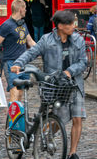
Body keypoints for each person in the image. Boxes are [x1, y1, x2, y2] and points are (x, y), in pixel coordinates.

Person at [11, 10, 87, 159]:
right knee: (59, 119)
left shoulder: (78, 40)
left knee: (77, 118)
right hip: (55, 85)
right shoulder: (47, 40)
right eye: (70, 24)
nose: (73, 26)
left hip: (74, 84)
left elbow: (83, 62)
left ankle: (72, 153)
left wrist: (70, 71)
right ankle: (45, 134)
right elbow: (31, 52)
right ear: (60, 26)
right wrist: (18, 63)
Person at [0, 0, 35, 102]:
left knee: (21, 92)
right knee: (14, 91)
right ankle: (12, 118)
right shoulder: (7, 25)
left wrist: (43, 50)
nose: (26, 10)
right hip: (11, 62)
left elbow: (30, 41)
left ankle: (18, 116)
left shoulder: (22, 24)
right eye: (25, 8)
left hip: (23, 62)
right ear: (20, 9)